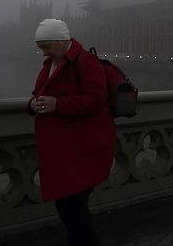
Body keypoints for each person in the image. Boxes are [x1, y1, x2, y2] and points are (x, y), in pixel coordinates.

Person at [28, 19, 116, 246]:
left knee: (71, 206)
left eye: (46, 46)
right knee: (71, 207)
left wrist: (58, 105)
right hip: (63, 149)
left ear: (61, 40)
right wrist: (32, 104)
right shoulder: (49, 64)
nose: (43, 53)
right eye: (40, 48)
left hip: (85, 146)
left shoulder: (86, 61)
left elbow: (96, 98)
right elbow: (38, 93)